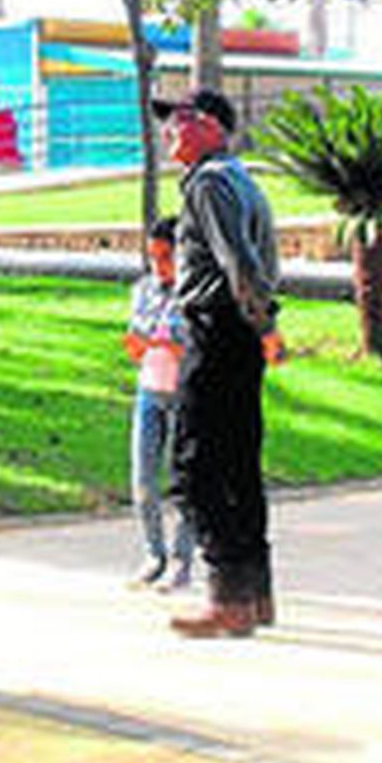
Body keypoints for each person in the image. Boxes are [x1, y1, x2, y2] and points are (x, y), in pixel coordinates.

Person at [153, 88, 285, 638]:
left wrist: (264, 321)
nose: (169, 133)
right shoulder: (240, 179)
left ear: (211, 125)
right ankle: (255, 594)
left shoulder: (209, 182)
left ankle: (226, 596)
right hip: (240, 333)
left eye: (179, 121)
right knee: (238, 465)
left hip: (220, 330)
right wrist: (263, 325)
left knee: (196, 466)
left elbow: (240, 261)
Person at [123, 217, 195, 591]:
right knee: (144, 478)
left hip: (185, 393)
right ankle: (154, 553)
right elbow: (137, 340)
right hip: (150, 390)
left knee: (184, 481)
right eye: (153, 257)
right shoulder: (143, 290)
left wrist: (170, 344)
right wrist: (141, 344)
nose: (159, 265)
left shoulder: (195, 292)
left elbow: (197, 346)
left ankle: (182, 561)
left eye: (166, 256)